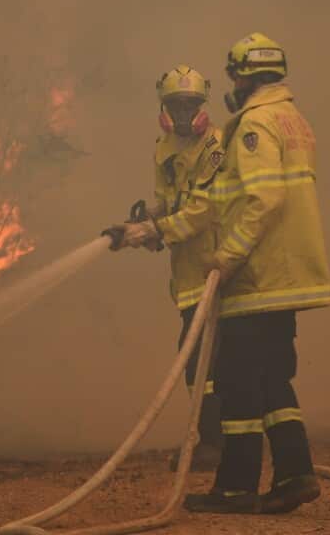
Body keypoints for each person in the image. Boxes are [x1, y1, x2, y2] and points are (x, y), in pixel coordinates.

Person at [112, 33, 330, 515]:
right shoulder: (293, 121)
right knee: (275, 380)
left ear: (244, 76)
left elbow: (257, 200)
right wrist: (154, 226)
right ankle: (296, 475)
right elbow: (220, 197)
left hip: (257, 275)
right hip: (285, 274)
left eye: (233, 76)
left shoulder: (253, 126)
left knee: (234, 381)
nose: (231, 85)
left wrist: (227, 254)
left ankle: (234, 489)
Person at [122, 65, 226, 470]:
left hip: (217, 268)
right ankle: (214, 442)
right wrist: (142, 222)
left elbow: (203, 211)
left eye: (191, 105)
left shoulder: (216, 147)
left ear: (203, 106)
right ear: (164, 107)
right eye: (176, 105)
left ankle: (216, 444)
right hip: (187, 274)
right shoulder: (163, 148)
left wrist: (158, 227)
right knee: (195, 353)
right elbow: (166, 200)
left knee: (206, 358)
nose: (184, 114)